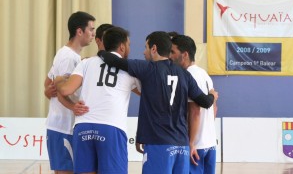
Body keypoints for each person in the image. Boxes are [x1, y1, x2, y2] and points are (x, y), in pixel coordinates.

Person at [97, 31, 218, 174]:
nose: (143, 52)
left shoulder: (147, 68)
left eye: (146, 47)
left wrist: (100, 52)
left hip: (158, 144)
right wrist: (212, 95)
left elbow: (113, 61)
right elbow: (205, 102)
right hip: (182, 146)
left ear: (154, 49)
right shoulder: (185, 74)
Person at [54, 27, 141, 174]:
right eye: (128, 44)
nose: (129, 48)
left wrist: (58, 80)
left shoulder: (86, 63)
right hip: (111, 127)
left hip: (83, 126)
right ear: (121, 46)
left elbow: (65, 90)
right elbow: (147, 93)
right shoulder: (130, 68)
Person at [44, 11, 95, 174]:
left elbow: (48, 84)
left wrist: (49, 90)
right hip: (62, 127)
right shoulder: (68, 57)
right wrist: (73, 107)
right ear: (79, 31)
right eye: (91, 29)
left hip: (66, 127)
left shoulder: (70, 55)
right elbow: (60, 90)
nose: (93, 34)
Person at [169, 35, 218, 174]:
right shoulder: (204, 74)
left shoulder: (189, 76)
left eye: (173, 52)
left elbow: (195, 111)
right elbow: (214, 108)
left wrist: (191, 143)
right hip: (210, 144)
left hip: (196, 146)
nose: (170, 56)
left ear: (184, 55)